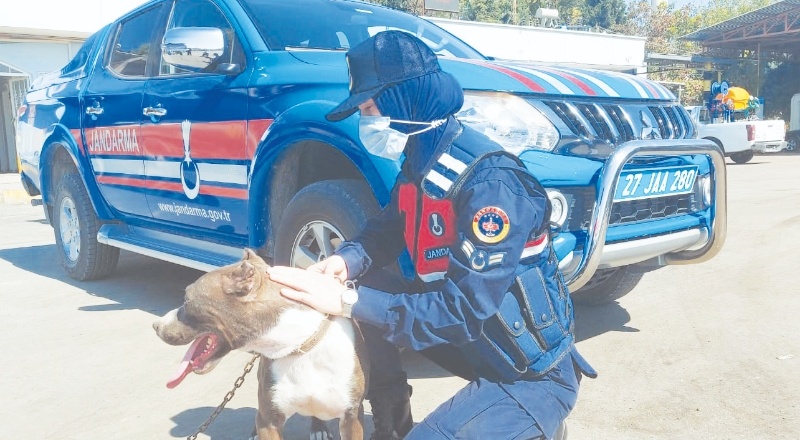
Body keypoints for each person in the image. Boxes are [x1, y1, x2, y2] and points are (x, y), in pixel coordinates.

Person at [268, 30, 596, 440]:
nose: (366, 121)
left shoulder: (490, 185)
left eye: (369, 107)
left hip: (528, 373)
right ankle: (392, 425)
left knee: (357, 302)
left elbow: (461, 310)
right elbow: (387, 230)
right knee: (362, 285)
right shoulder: (422, 162)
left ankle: (534, 421)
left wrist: (347, 301)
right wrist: (343, 262)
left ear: (401, 99)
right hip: (477, 343)